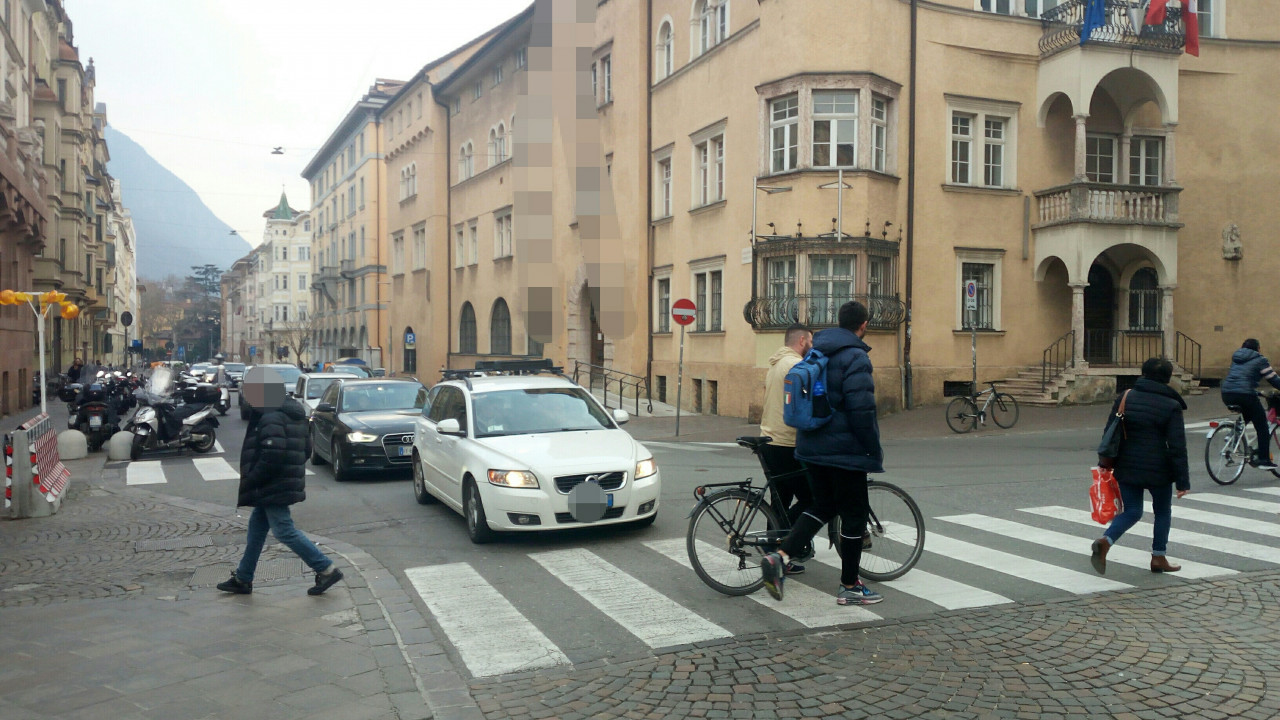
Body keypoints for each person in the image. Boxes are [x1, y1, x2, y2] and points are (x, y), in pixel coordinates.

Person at [761, 301, 885, 606]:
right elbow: (862, 409)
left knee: (823, 505)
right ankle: (850, 586)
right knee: (854, 517)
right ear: (863, 325)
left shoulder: (817, 352)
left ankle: (780, 556)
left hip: (810, 447)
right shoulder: (855, 356)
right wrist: (872, 449)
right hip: (843, 452)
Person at [218, 366, 343, 596]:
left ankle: (325, 568)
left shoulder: (272, 415)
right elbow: (306, 449)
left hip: (272, 484)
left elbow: (272, 454)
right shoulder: (291, 411)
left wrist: (254, 478)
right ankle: (243, 578)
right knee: (257, 529)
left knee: (284, 530)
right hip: (280, 481)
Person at [1091, 357, 1190, 574]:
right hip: (1160, 469)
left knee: (1133, 511)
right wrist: (1182, 481)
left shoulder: (1126, 397)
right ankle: (1158, 557)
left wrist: (1107, 463)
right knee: (1162, 511)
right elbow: (1177, 446)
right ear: (1167, 378)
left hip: (1127, 465)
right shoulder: (1171, 405)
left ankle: (1106, 541)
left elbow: (1110, 431)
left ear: (1143, 374)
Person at [758, 323, 814, 575]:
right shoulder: (794, 365)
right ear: (802, 340)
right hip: (786, 443)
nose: (811, 346)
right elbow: (806, 403)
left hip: (770, 440)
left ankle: (778, 550)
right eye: (810, 341)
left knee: (779, 502)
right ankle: (781, 544)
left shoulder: (775, 364)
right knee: (813, 499)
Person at [1220, 338, 1280, 470]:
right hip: (1245, 394)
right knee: (1262, 426)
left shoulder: (1236, 358)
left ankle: (1233, 434)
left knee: (1247, 413)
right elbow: (1273, 379)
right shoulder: (1260, 360)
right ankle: (1264, 460)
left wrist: (1256, 392)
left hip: (1226, 393)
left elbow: (1240, 379)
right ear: (1258, 348)